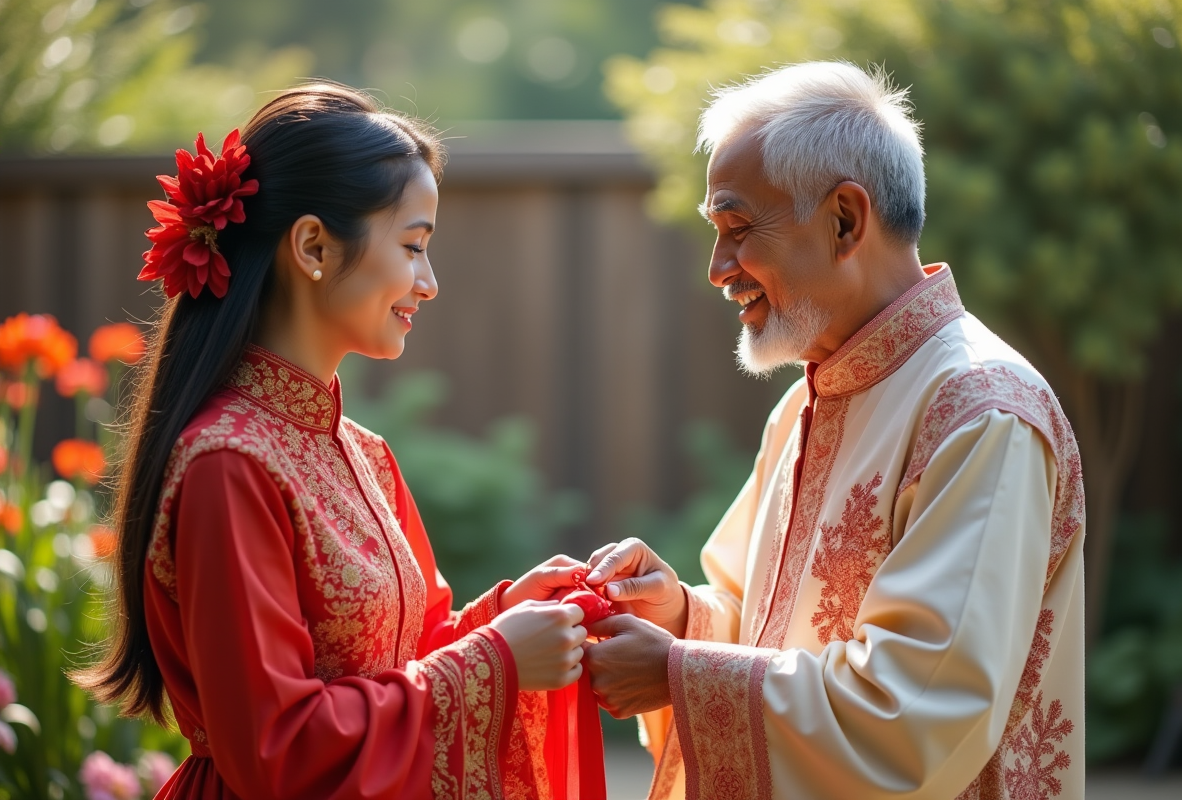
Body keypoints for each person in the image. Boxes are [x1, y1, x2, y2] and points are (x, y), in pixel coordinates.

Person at [72, 84, 593, 800]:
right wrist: (494, 660)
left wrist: (502, 619)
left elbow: (403, 660)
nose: (429, 282)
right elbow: (275, 748)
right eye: (413, 246)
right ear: (313, 246)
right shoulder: (230, 464)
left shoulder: (362, 451)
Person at [582, 61, 1086, 800]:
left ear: (846, 219)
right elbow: (763, 632)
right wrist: (680, 616)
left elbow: (914, 715)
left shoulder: (983, 413)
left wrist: (677, 671)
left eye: (738, 228)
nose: (720, 268)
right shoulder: (806, 404)